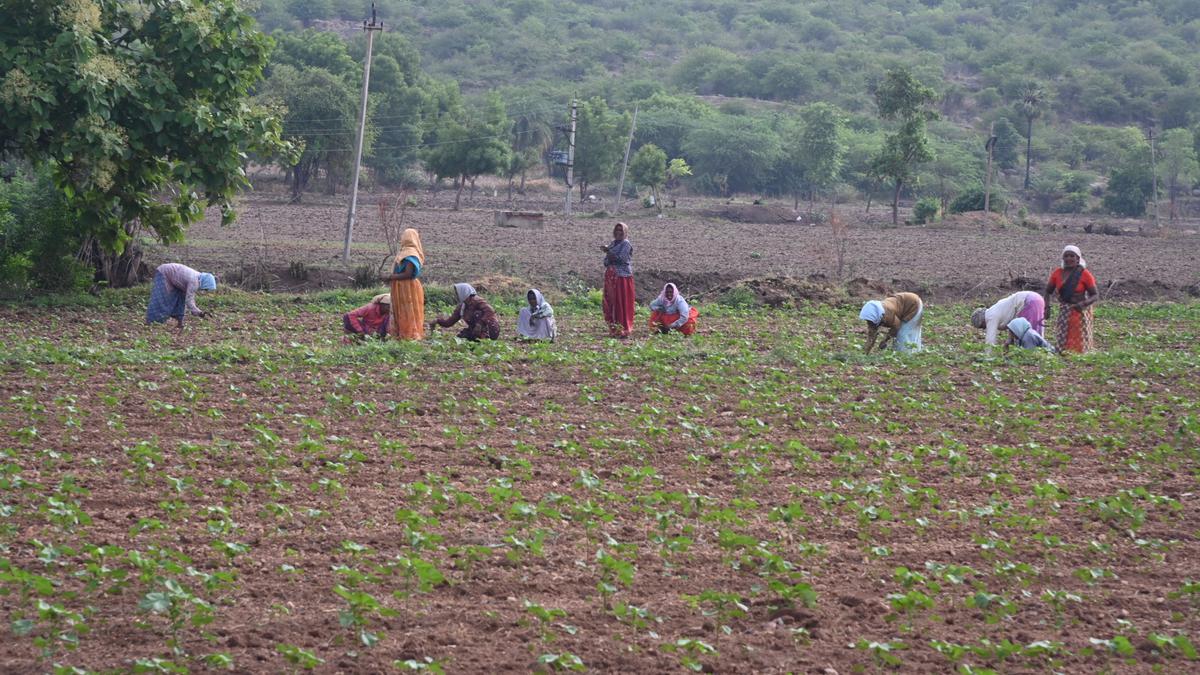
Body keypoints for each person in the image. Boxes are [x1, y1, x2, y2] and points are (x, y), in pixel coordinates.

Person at [1043, 245, 1098, 353]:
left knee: (1079, 337)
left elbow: (1095, 295)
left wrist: (1083, 304)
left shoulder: (1085, 274)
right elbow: (1047, 291)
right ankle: (1063, 353)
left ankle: (1079, 356)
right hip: (1064, 310)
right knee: (1063, 334)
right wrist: (1047, 307)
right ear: (1062, 258)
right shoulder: (1057, 273)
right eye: (1066, 256)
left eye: (1072, 256)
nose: (1069, 259)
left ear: (1078, 259)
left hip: (1080, 311)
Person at [146, 262, 216, 330]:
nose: (204, 290)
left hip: (174, 278)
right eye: (206, 288)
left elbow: (187, 299)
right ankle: (151, 322)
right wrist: (199, 313)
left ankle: (179, 323)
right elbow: (189, 300)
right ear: (205, 283)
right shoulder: (194, 282)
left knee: (180, 299)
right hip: (164, 272)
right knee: (162, 298)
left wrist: (196, 311)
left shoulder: (198, 277)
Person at [970, 290, 1046, 348]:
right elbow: (1013, 322)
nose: (984, 328)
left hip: (1028, 301)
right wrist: (1010, 339)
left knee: (1028, 334)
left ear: (982, 321)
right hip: (1037, 298)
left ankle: (1035, 356)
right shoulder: (997, 308)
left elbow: (990, 339)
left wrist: (987, 356)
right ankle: (1041, 352)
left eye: (982, 326)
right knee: (1037, 330)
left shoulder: (990, 317)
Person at [387, 228, 425, 340]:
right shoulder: (405, 252)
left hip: (407, 287)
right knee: (400, 308)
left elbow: (408, 274)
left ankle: (409, 334)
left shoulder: (410, 254)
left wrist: (390, 277)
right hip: (401, 286)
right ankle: (402, 333)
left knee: (408, 309)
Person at [430, 283, 500, 341]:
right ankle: (477, 338)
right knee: (460, 339)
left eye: (457, 293)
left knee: (477, 314)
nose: (456, 295)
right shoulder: (462, 307)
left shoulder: (476, 300)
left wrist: (480, 323)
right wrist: (437, 321)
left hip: (491, 329)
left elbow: (490, 311)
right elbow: (450, 322)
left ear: (464, 292)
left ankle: (484, 337)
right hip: (475, 330)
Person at [859, 291, 924, 353]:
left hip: (913, 304)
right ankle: (908, 352)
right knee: (901, 336)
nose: (869, 323)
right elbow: (872, 335)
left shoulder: (887, 314)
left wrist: (885, 340)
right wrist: (865, 351)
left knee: (902, 334)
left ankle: (905, 355)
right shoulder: (876, 314)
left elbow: (896, 326)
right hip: (902, 302)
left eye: (869, 321)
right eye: (868, 321)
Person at [601, 222, 635, 338]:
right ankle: (614, 328)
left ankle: (623, 329)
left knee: (621, 303)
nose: (618, 233)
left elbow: (622, 259)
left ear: (625, 232)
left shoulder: (626, 244)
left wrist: (609, 253)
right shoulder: (613, 244)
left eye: (621, 231)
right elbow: (606, 262)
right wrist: (609, 254)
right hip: (611, 278)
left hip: (621, 278)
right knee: (610, 303)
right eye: (617, 230)